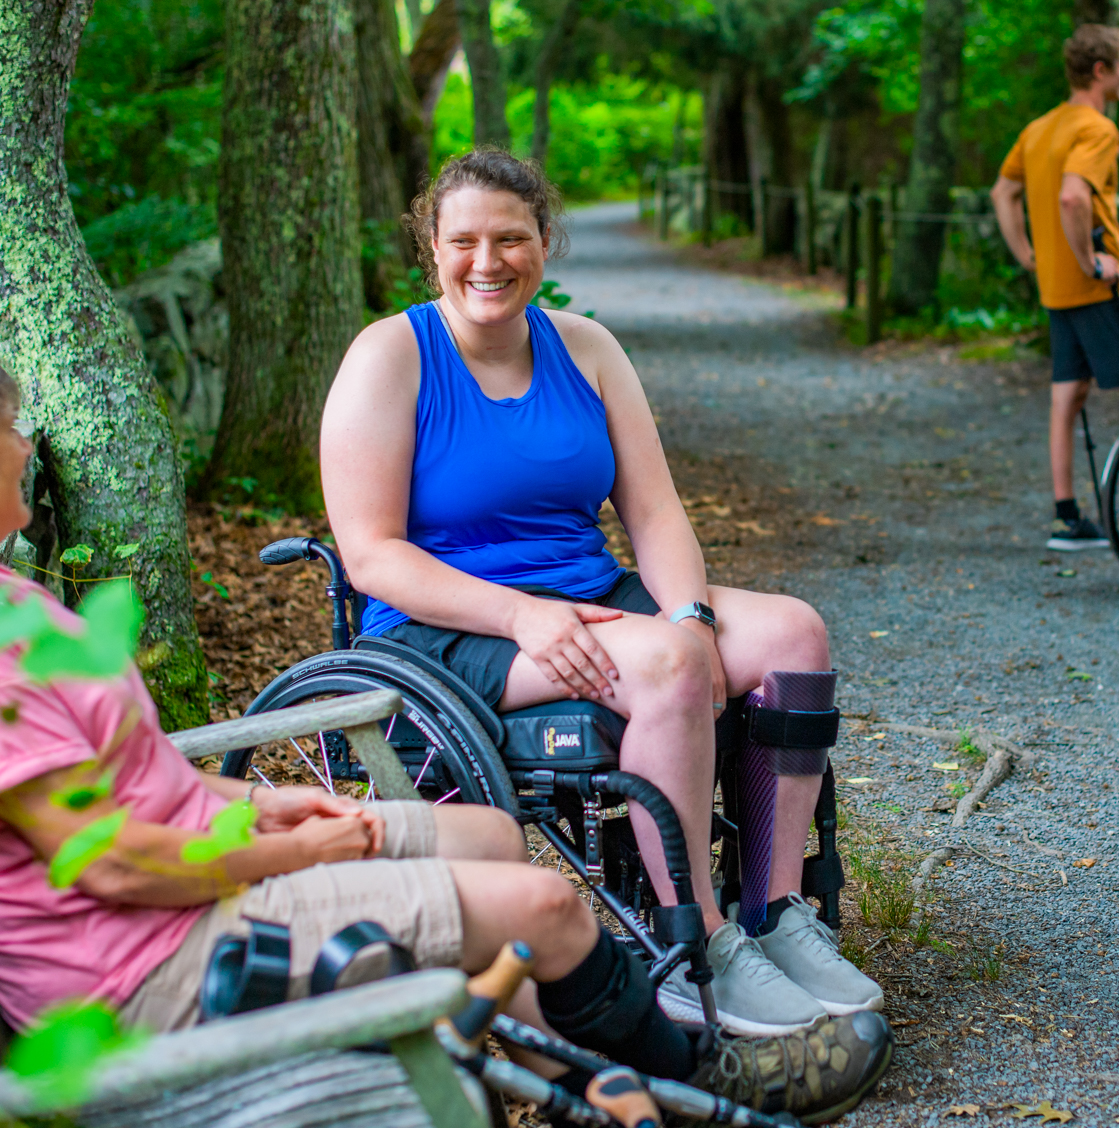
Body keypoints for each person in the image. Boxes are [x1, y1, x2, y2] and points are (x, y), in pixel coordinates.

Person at [0, 336, 889, 1122]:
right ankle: (694, 1076)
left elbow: (128, 782)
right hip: (149, 964)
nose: (24, 442)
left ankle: (591, 1074)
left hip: (187, 875)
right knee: (545, 903)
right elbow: (121, 862)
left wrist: (259, 796)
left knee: (482, 835)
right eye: (6, 428)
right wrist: (308, 844)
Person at [320, 148, 885, 1042]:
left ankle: (778, 911)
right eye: (464, 240)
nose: (488, 261)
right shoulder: (390, 356)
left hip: (590, 594)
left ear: (545, 242)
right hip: (446, 623)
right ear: (432, 247)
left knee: (792, 636)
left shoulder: (587, 348)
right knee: (664, 664)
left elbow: (656, 514)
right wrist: (521, 615)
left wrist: (693, 616)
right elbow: (372, 556)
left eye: (511, 238)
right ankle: (696, 944)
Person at [991, 23, 1119, 551]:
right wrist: (1090, 261)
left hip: (1055, 291)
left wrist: (1028, 256)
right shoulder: (1098, 129)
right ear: (1101, 72)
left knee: (1067, 398)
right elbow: (1073, 198)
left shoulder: (1039, 128)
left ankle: (1067, 517)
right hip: (1100, 288)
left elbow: (1003, 193)